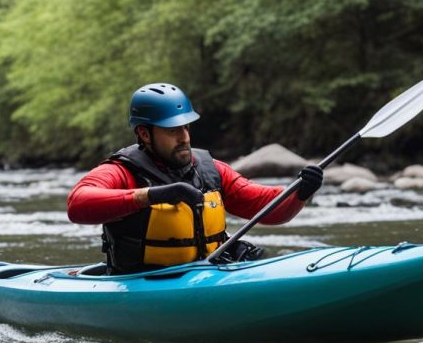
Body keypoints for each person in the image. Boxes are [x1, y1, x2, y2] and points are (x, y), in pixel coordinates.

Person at [68, 83, 323, 274]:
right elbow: (78, 205)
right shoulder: (122, 171)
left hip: (205, 275)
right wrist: (153, 195)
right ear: (144, 134)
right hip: (140, 283)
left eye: (186, 126)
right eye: (172, 130)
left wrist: (300, 191)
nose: (184, 137)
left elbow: (266, 208)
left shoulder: (211, 170)